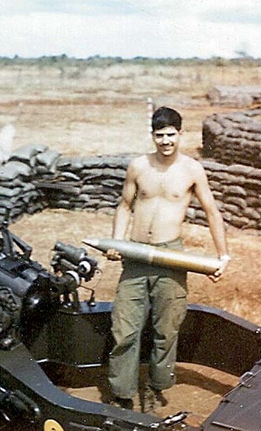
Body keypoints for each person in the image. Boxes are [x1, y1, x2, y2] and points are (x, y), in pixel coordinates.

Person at [106, 106, 230, 413]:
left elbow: (212, 212)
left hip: (172, 256)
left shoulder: (192, 169)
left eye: (170, 135)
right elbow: (124, 205)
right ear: (152, 135)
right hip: (136, 256)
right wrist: (117, 240)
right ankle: (122, 393)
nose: (165, 142)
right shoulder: (138, 166)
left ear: (180, 134)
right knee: (124, 329)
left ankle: (156, 387)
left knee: (167, 327)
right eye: (159, 136)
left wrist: (222, 255)